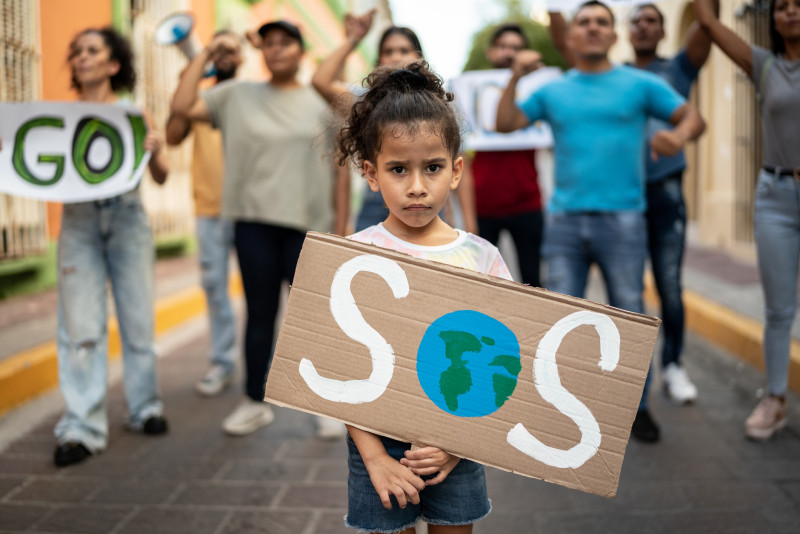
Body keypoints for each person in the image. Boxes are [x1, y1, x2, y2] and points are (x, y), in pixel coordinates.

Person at [496, 1, 705, 443]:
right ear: (572, 37)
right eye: (584, 22)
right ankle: (565, 411)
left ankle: (639, 408)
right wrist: (516, 74)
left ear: (614, 35)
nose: (592, 29)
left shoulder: (640, 84)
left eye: (602, 23)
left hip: (624, 220)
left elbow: (692, 117)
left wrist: (677, 136)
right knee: (566, 321)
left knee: (630, 314)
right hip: (565, 222)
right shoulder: (554, 90)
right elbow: (506, 122)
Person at [337, 60, 511, 534]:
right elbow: (339, 369)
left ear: (455, 171)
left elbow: (506, 360)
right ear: (371, 175)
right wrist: (373, 456)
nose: (416, 186)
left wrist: (457, 445)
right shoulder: (356, 256)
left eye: (432, 167)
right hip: (376, 443)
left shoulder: (482, 258)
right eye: (398, 169)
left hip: (459, 442)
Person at [170, 20, 347, 438]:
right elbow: (181, 108)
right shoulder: (236, 95)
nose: (277, 49)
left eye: (286, 42)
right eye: (269, 43)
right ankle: (254, 401)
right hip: (253, 223)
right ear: (260, 51)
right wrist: (205, 54)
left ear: (302, 51)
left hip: (309, 227)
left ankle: (324, 405)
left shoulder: (322, 101)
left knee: (314, 318)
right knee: (260, 315)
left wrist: (340, 229)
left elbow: (341, 172)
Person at [549, 3, 716, 405]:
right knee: (626, 297)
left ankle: (672, 366)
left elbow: (706, 29)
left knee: (668, 286)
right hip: (623, 197)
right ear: (625, 31)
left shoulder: (675, 69)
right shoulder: (610, 74)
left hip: (663, 194)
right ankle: (616, 393)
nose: (643, 27)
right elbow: (568, 46)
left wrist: (675, 138)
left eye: (652, 22)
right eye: (636, 21)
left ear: (661, 32)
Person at [34, 27, 169, 466]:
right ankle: (81, 426)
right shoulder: (59, 118)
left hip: (128, 220)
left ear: (113, 64)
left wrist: (156, 149)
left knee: (137, 319)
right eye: (76, 52)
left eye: (92, 50)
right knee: (80, 328)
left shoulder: (134, 114)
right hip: (78, 224)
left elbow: (162, 175)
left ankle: (144, 407)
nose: (81, 58)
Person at [695, 0, 800, 440]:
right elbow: (707, 20)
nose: (790, 11)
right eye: (781, 6)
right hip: (775, 197)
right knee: (778, 310)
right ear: (773, 19)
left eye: (798, 5)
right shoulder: (766, 65)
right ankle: (775, 398)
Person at [165, 30, 242, 397]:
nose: (225, 54)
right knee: (215, 288)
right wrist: (199, 64)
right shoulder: (198, 97)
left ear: (242, 56)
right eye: (218, 47)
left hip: (249, 208)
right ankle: (223, 362)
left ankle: (267, 365)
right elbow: (172, 134)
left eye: (232, 48)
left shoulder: (251, 92)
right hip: (209, 207)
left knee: (263, 290)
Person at [312, 11, 432, 232]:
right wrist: (354, 38)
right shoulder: (366, 103)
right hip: (375, 207)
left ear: (420, 59)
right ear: (379, 62)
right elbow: (321, 80)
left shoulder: (437, 105)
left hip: (425, 204)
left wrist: (465, 223)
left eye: (404, 50)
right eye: (388, 52)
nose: (396, 57)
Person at [464, 23, 545, 287]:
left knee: (532, 280)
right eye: (503, 47)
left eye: (517, 48)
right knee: (481, 282)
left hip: (527, 202)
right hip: (484, 203)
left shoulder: (537, 89)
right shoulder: (472, 91)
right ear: (490, 52)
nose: (510, 53)